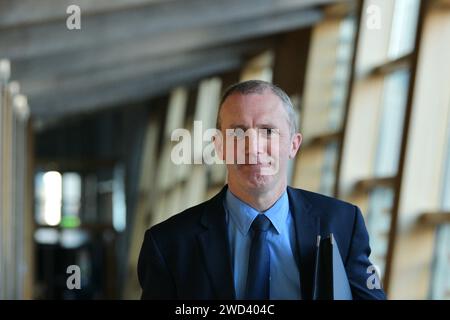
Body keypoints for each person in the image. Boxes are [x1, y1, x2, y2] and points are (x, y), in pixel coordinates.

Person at [137, 80, 386, 300]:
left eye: (268, 131)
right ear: (219, 147)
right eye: (238, 132)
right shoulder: (169, 244)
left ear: (293, 144)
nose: (253, 147)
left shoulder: (342, 223)